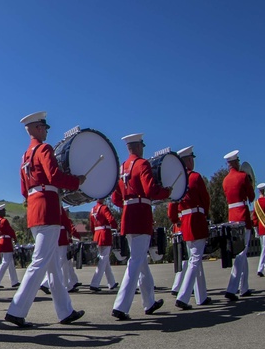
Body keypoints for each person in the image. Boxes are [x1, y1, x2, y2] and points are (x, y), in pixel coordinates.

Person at [4, 112, 85, 328]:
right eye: (45, 128)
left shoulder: (25, 156)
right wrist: (76, 182)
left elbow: (23, 190)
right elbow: (55, 177)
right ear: (38, 128)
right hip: (48, 208)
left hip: (34, 208)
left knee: (52, 267)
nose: (47, 131)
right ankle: (16, 309)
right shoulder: (44, 149)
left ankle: (65, 311)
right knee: (40, 261)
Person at [110, 133, 171, 320]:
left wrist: (128, 204)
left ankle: (149, 302)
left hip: (128, 216)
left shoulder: (121, 168)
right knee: (136, 261)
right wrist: (166, 192)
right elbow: (150, 189)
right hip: (141, 215)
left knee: (141, 261)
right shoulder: (143, 164)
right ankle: (120, 306)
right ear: (138, 146)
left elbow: (115, 198)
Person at [170, 146, 211, 309]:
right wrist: (205, 214)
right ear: (187, 160)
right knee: (195, 260)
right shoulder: (195, 177)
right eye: (191, 159)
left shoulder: (177, 179)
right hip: (196, 219)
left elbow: (172, 206)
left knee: (196, 259)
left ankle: (201, 297)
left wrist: (175, 219)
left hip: (184, 222)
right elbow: (205, 199)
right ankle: (183, 297)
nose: (193, 161)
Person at [222, 150, 255, 300]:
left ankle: (244, 287)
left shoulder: (225, 180)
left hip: (232, 216)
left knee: (243, 253)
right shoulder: (242, 177)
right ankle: (232, 288)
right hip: (242, 215)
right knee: (241, 254)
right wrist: (249, 181)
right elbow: (251, 196)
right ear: (236, 162)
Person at [88, 199, 118, 291]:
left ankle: (111, 282)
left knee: (105, 260)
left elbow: (92, 226)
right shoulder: (104, 208)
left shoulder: (93, 209)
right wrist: (116, 226)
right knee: (103, 259)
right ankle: (94, 283)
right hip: (105, 234)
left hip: (97, 235)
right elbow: (111, 220)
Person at [0, 204, 19, 288]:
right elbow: (11, 231)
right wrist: (15, 239)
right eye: (3, 210)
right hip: (6, 242)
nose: (5, 212)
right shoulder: (4, 221)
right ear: (0, 212)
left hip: (2, 242)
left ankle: (14, 281)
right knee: (6, 262)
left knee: (10, 263)